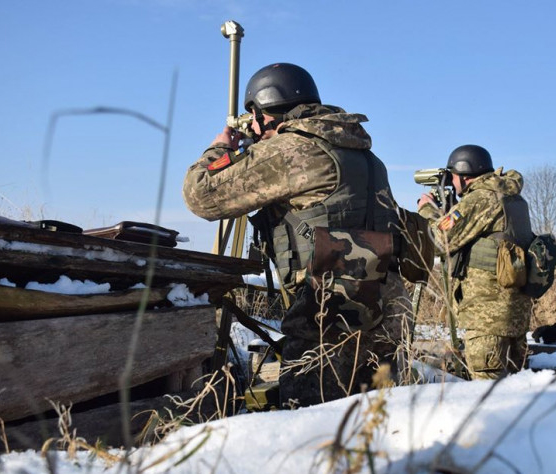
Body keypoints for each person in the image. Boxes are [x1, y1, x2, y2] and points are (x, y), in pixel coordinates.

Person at [183, 63, 412, 407]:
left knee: (311, 432)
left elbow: (200, 196)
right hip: (385, 315)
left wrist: (219, 149)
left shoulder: (293, 149)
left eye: (255, 119)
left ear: (264, 111)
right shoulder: (366, 156)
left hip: (325, 322)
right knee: (375, 432)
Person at [417, 145, 534, 380]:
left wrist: (427, 210)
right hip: (513, 314)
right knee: (516, 391)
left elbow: (441, 240)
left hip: (488, 318)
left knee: (487, 393)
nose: (451, 183)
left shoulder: (482, 197)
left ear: (464, 175)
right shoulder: (509, 195)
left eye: (452, 177)